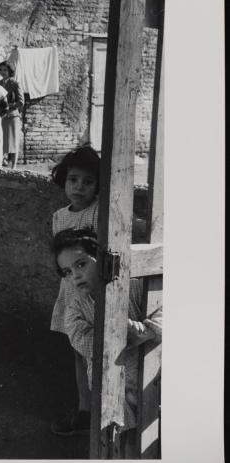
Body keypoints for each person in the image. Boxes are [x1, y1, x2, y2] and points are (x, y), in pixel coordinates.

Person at [53, 227, 162, 433]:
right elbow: (80, 339)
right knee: (124, 437)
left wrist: (146, 331)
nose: (76, 275)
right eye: (67, 272)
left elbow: (168, 311)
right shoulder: (76, 307)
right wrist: (117, 335)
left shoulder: (135, 286)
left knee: (156, 430)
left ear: (100, 258)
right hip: (114, 386)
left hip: (152, 377)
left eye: (81, 264)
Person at [49, 145, 101, 436]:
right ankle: (85, 409)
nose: (79, 187)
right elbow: (60, 258)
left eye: (88, 181)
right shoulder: (59, 217)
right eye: (73, 179)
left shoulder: (100, 212)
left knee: (101, 351)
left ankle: (106, 410)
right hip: (71, 293)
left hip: (96, 293)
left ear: (98, 184)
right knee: (79, 352)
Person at [0, 60, 24, 169]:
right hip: (1, 117)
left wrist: (9, 105)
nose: (3, 72)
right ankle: (0, 164)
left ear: (10, 71)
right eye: (1, 70)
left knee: (13, 141)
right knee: (1, 141)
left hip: (13, 116)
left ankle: (13, 167)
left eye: (5, 70)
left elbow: (21, 102)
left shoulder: (15, 83)